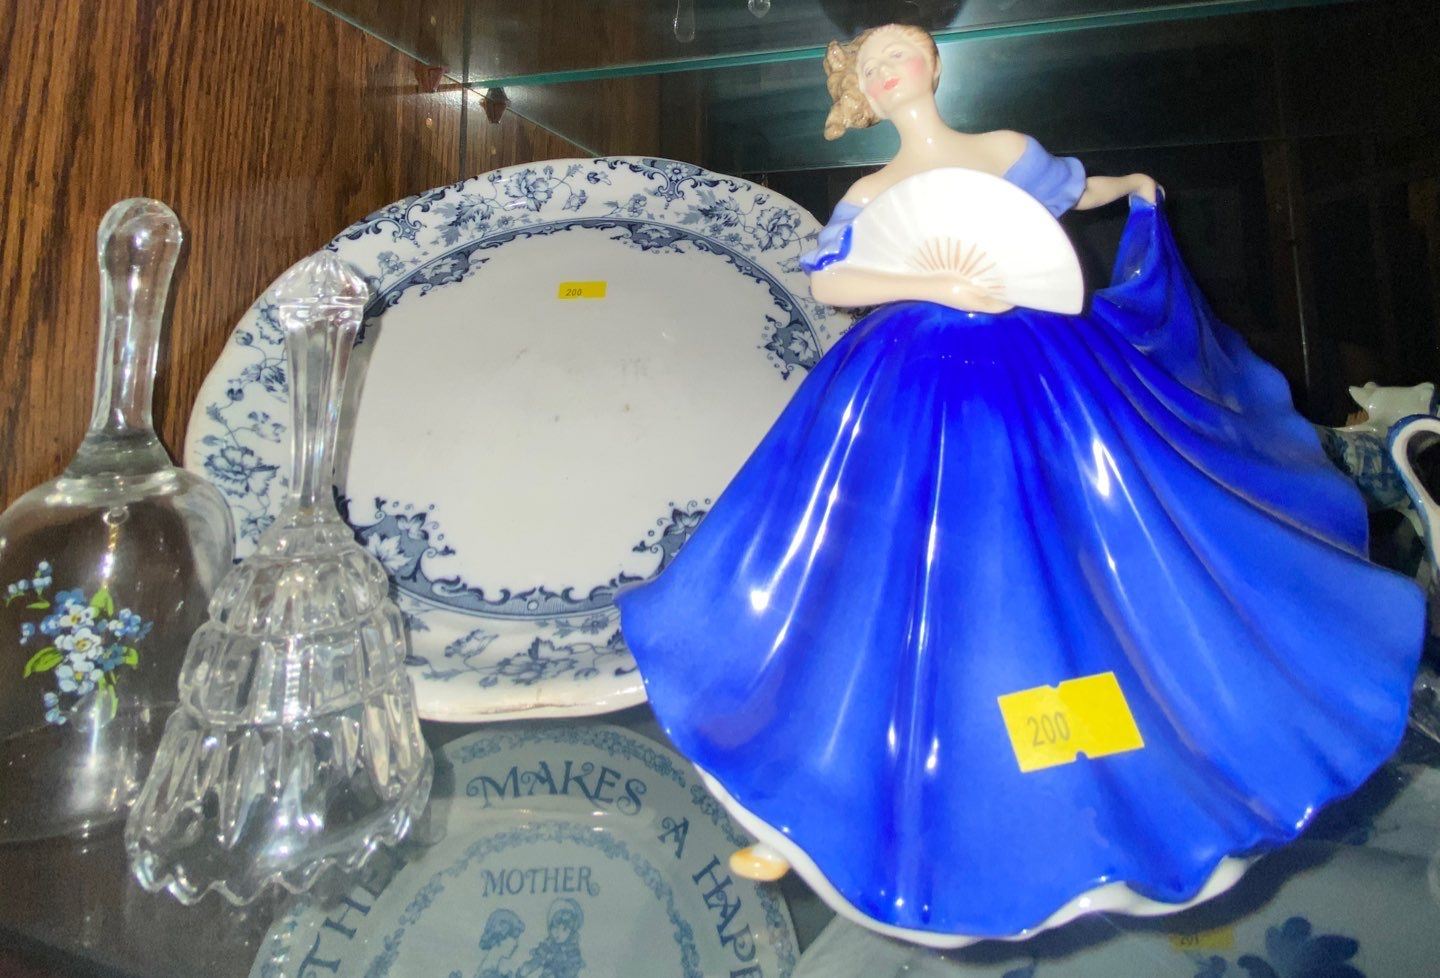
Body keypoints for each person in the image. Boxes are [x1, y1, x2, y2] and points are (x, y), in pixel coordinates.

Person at [616, 22, 1425, 946]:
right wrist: (935, 282)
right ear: (861, 94)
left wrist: (1130, 187)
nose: (887, 74)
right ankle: (821, 803)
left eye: (897, 56)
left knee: (1085, 532)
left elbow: (1071, 191)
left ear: (932, 62)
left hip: (1040, 367)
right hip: (912, 380)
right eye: (870, 69)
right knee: (883, 568)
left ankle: (1118, 758)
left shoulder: (1001, 150)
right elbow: (836, 281)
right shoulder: (871, 191)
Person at [475, 908, 525, 978]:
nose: (516, 944)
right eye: (514, 938)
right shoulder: (488, 973)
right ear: (500, 937)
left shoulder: (497, 969)